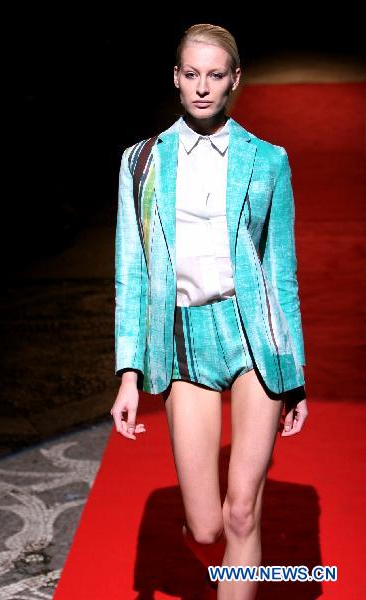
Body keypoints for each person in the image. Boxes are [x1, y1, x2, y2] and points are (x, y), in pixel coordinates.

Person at [110, 23, 309, 599]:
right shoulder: (140, 162)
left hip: (251, 337)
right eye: (191, 75)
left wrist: (293, 373)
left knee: (242, 513)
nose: (202, 87)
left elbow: (281, 274)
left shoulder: (268, 161)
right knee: (205, 528)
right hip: (181, 338)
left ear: (235, 81)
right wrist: (128, 374)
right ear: (176, 79)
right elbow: (131, 272)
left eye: (215, 75)